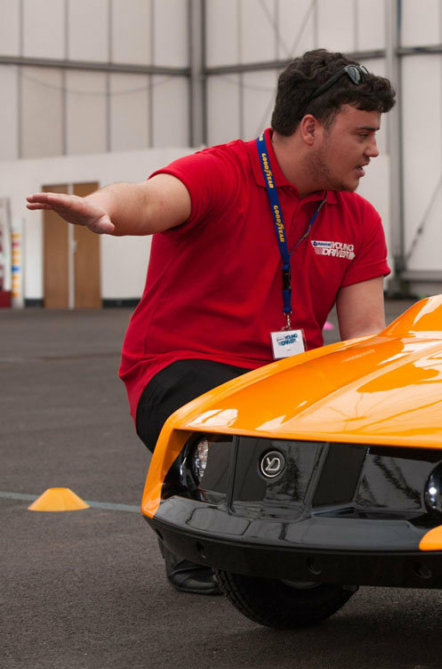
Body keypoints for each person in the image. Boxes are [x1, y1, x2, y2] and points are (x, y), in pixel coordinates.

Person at [26, 50, 395, 595]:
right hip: (181, 368)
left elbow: (364, 340)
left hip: (285, 380)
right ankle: (191, 530)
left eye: (374, 135)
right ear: (311, 129)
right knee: (237, 437)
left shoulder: (358, 218)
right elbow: (149, 199)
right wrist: (103, 206)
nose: (373, 150)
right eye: (362, 134)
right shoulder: (222, 172)